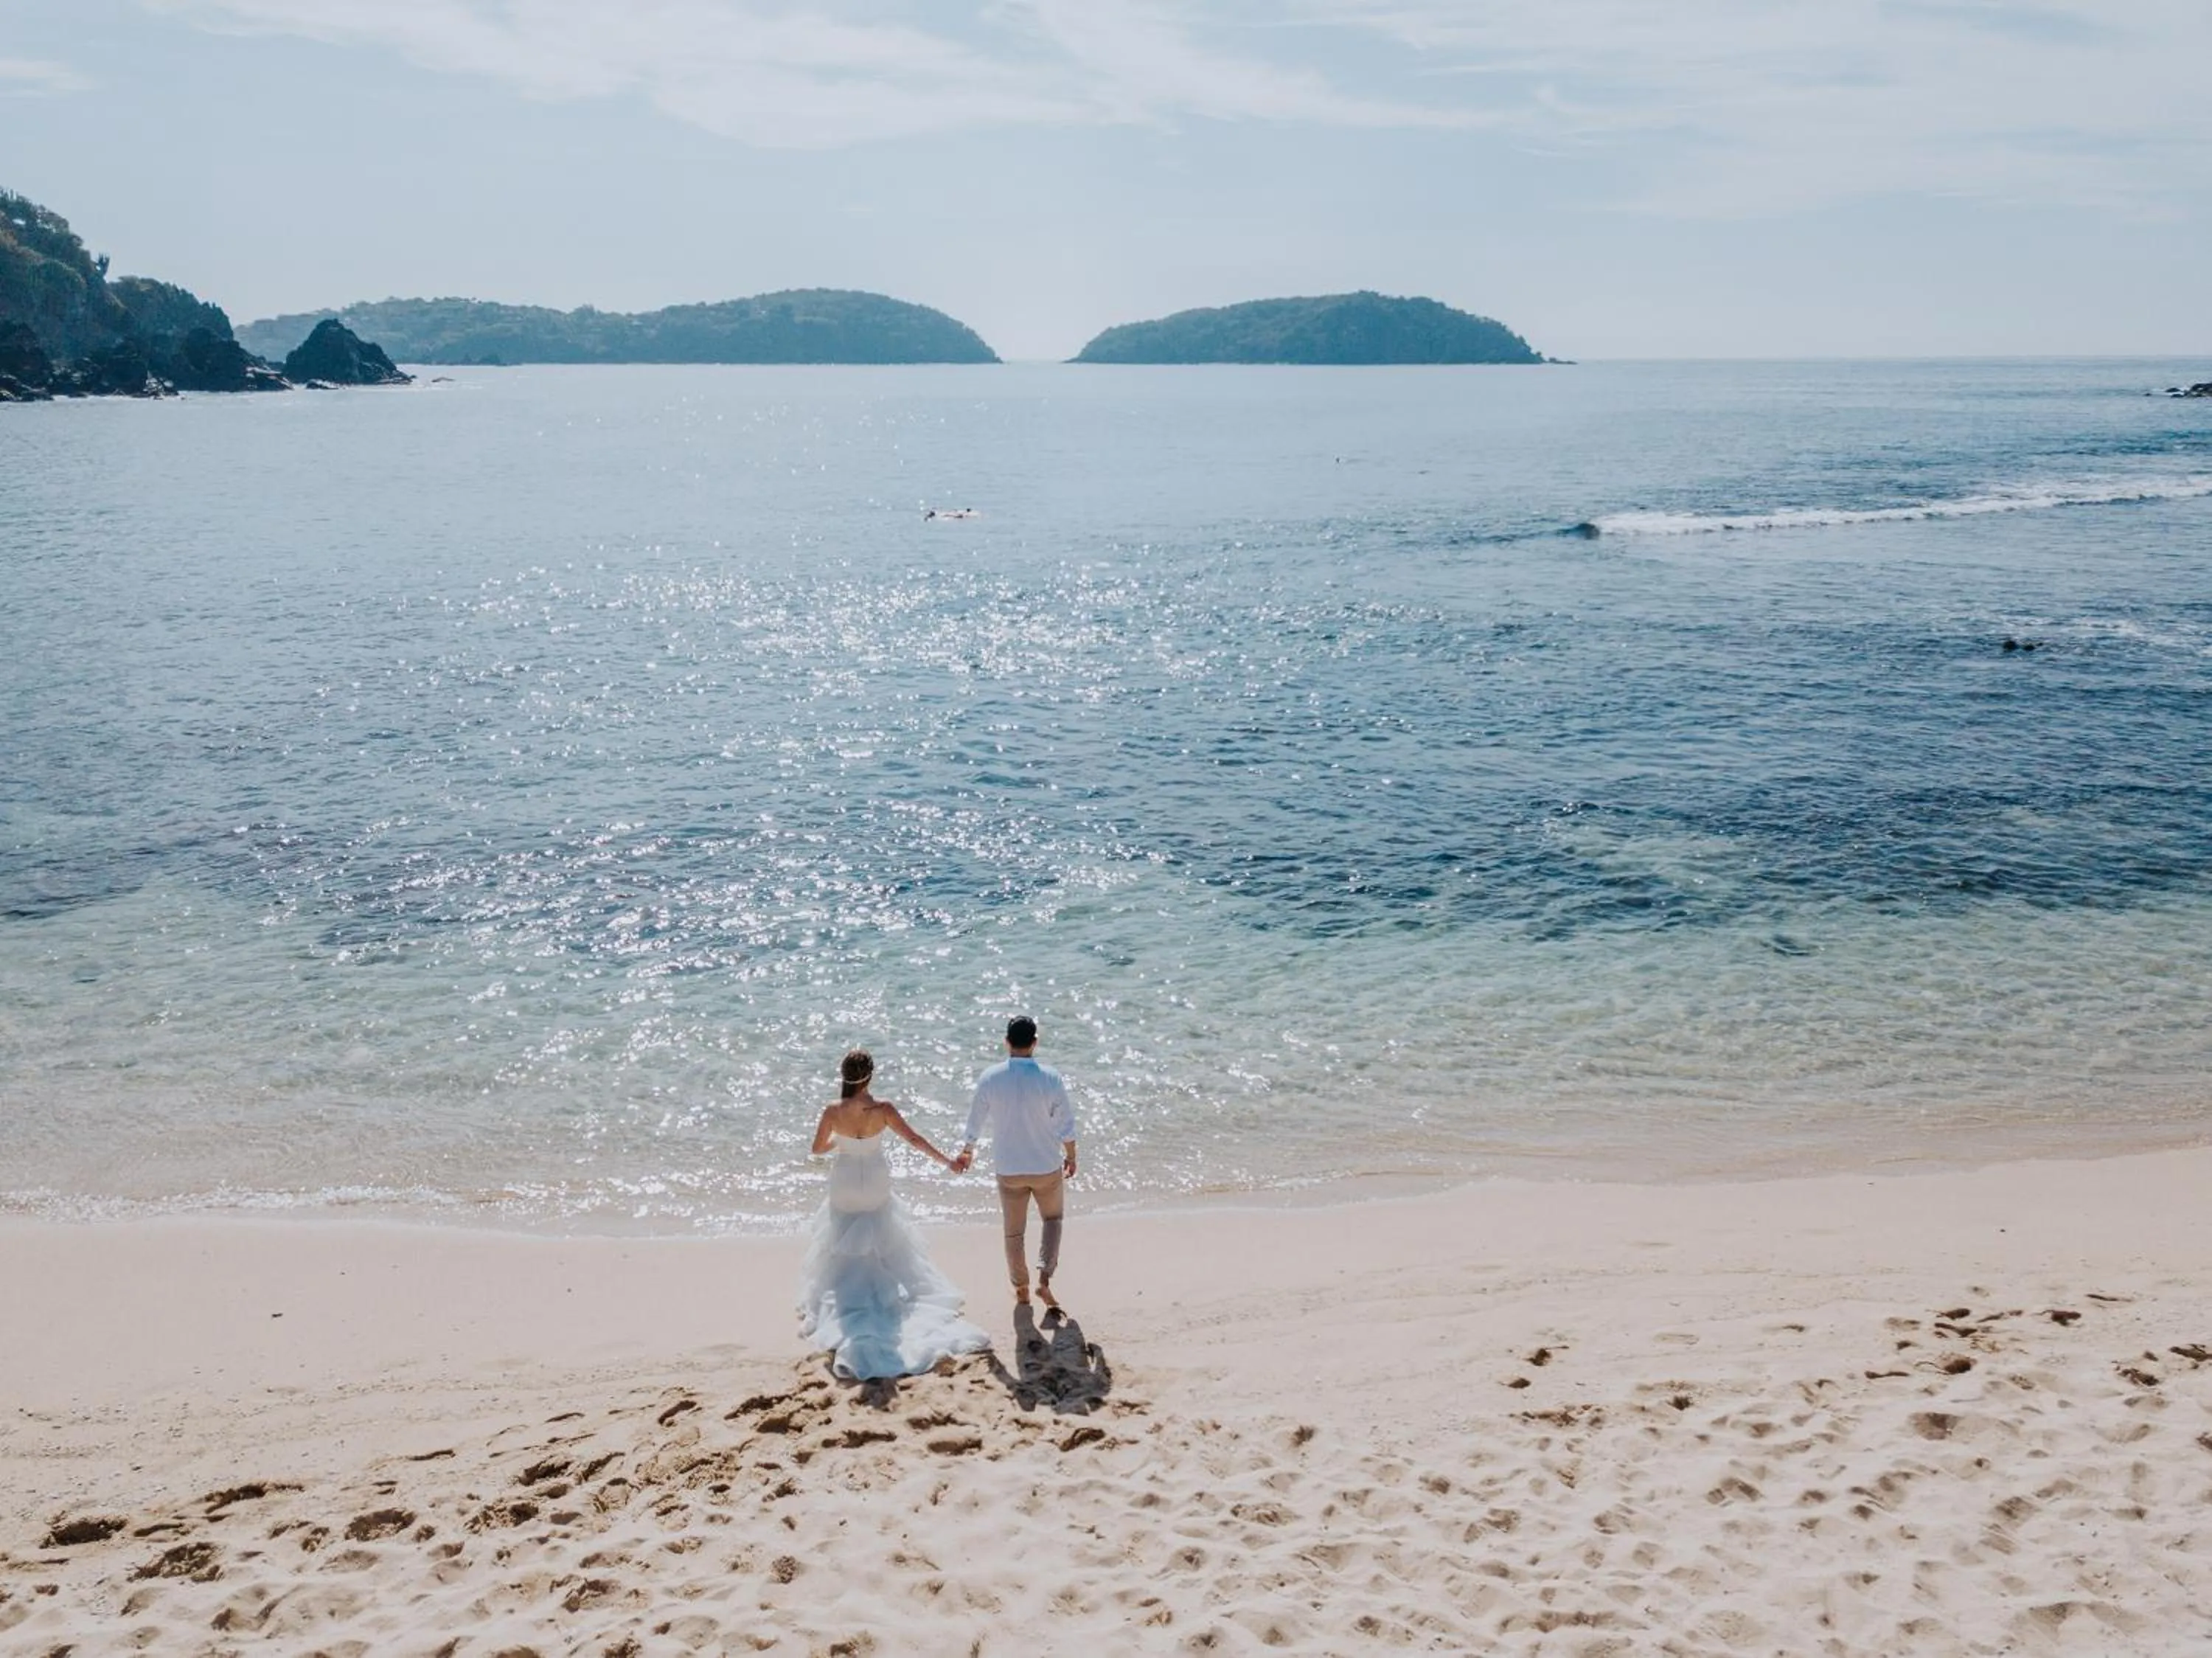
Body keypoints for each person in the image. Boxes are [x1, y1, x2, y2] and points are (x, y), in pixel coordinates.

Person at [797, 1049, 990, 1380]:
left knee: (842, 1232)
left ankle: (848, 1293)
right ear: (870, 1076)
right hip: (874, 1179)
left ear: (843, 1076)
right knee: (880, 1231)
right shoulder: (882, 1109)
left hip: (844, 1180)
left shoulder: (833, 1110)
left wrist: (841, 1142)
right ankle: (880, 1288)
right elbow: (914, 1139)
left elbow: (816, 1149)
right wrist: (949, 1162)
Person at [953, 1016, 1078, 1309]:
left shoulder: (990, 1077)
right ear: (1035, 1042)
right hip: (1046, 1165)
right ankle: (1044, 1281)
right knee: (1053, 1220)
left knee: (1013, 1232)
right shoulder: (1050, 1077)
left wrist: (968, 1149)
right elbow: (1065, 1123)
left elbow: (976, 1119)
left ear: (1006, 1042)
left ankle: (1021, 1289)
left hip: (1009, 1169)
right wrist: (1071, 1156)